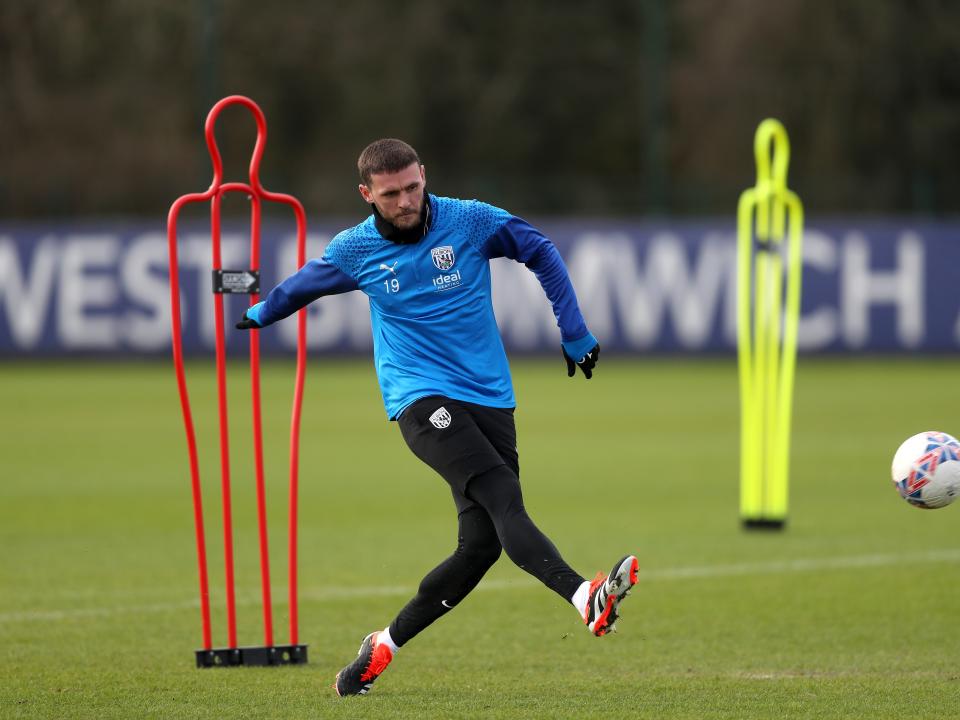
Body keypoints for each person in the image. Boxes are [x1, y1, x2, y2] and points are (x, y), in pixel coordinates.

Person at [235, 139, 638, 696]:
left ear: (425, 175)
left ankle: (380, 647)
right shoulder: (356, 250)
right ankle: (584, 597)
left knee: (479, 548)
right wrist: (257, 312)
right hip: (420, 399)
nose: (405, 201)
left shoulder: (470, 222)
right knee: (503, 498)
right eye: (391, 193)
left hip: (490, 397)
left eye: (412, 187)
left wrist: (574, 331)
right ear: (367, 195)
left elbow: (539, 248)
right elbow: (301, 286)